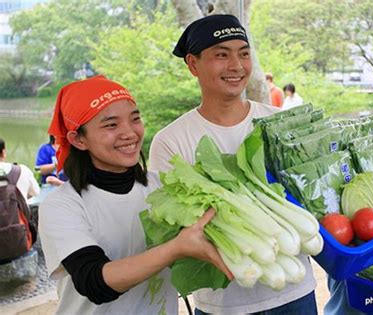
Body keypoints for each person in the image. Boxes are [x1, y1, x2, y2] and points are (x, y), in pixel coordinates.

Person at [149, 14, 317, 315]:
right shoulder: (171, 142)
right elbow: (174, 228)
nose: (237, 66)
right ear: (193, 64)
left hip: (296, 295)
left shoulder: (277, 121)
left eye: (243, 54)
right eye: (221, 55)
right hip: (222, 306)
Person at [39, 75, 232, 314]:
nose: (129, 133)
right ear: (78, 139)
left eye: (135, 119)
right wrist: (176, 248)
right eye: (111, 125)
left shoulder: (163, 188)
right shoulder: (62, 205)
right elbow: (94, 282)